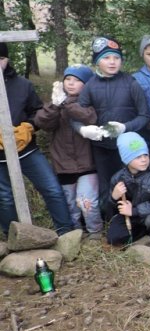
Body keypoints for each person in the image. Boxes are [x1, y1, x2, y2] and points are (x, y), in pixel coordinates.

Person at [0, 43, 74, 235]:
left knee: (52, 188)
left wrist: (29, 127)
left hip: (26, 150)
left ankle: (66, 233)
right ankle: (14, 236)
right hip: (0, 157)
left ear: (7, 59)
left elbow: (37, 112)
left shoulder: (22, 85)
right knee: (5, 197)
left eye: (1, 59)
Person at [76, 36, 150, 209]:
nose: (112, 62)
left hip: (129, 148)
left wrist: (125, 127)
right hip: (101, 148)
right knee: (106, 186)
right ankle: (109, 219)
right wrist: (83, 130)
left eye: (116, 57)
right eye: (106, 58)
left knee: (131, 185)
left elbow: (144, 116)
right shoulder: (90, 86)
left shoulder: (131, 83)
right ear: (97, 61)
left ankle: (134, 218)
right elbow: (76, 116)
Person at [34, 65, 103, 239]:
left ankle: (95, 233)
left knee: (87, 201)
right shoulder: (56, 103)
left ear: (86, 84)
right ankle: (75, 235)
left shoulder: (89, 101)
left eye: (77, 80)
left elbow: (90, 117)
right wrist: (55, 105)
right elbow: (43, 123)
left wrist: (66, 104)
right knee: (71, 205)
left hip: (88, 164)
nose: (71, 83)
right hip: (63, 164)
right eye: (68, 79)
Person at [104, 132, 150, 246]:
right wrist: (114, 197)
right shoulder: (118, 178)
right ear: (126, 159)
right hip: (131, 217)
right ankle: (144, 233)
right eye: (138, 157)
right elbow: (111, 208)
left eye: (146, 155)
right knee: (113, 238)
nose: (144, 160)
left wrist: (135, 211)